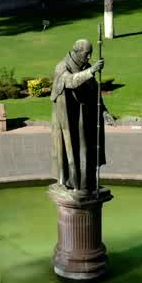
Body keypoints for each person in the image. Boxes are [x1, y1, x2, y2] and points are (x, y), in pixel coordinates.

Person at [51, 40, 105, 193]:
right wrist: (91, 71)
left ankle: (85, 180)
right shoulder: (62, 66)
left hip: (83, 115)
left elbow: (94, 91)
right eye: (87, 54)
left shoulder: (85, 66)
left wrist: (104, 111)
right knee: (70, 149)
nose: (89, 57)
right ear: (77, 51)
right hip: (66, 119)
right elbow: (69, 81)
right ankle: (70, 182)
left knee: (86, 148)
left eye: (90, 54)